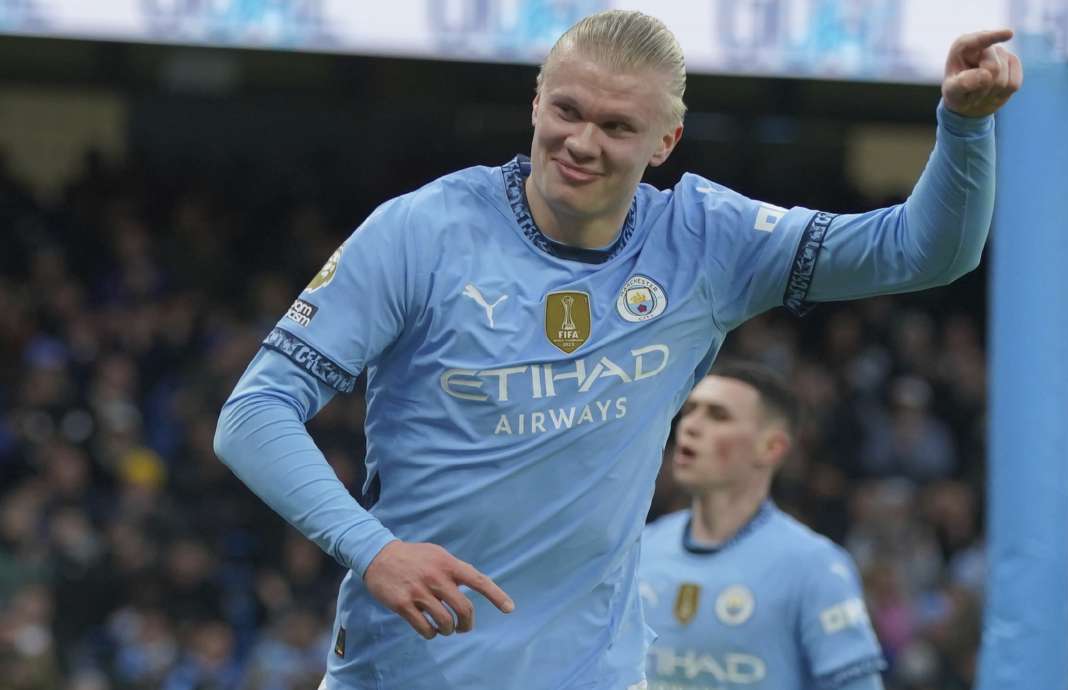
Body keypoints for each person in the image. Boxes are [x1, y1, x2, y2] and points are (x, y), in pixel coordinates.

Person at [213, 9, 1021, 690]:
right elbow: (253, 413)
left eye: (616, 126)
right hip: (410, 668)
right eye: (566, 111)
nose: (581, 142)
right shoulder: (422, 232)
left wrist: (965, 127)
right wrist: (374, 549)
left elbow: (925, 253)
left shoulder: (707, 240)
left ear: (665, 141)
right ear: (534, 102)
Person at [639, 362, 885, 690]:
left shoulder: (814, 566)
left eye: (718, 416)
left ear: (771, 448)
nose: (690, 426)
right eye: (691, 410)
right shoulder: (641, 551)